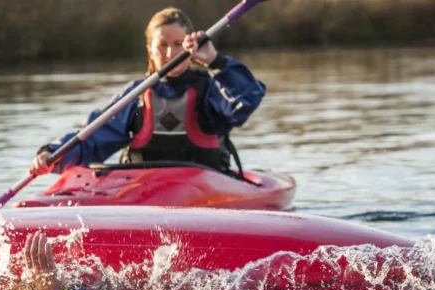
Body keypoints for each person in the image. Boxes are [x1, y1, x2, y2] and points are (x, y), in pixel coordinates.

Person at [29, 7, 266, 178]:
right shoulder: (137, 95)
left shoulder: (211, 89)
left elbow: (248, 98)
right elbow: (92, 139)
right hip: (143, 193)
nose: (171, 53)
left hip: (204, 191)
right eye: (162, 45)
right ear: (149, 51)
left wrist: (214, 60)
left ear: (190, 46)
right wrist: (52, 153)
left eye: (177, 44)